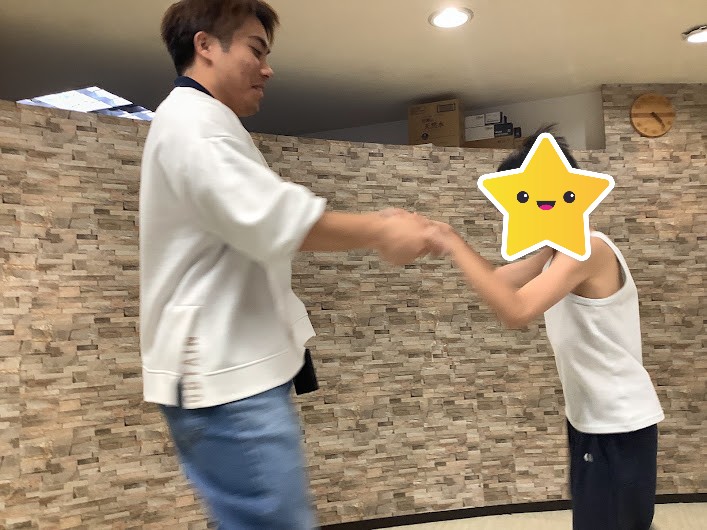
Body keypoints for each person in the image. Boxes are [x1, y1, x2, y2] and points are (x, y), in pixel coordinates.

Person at [139, 1, 443, 528]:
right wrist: (381, 230)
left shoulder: (206, 121)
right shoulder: (193, 124)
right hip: (225, 381)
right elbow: (275, 218)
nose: (268, 69)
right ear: (205, 45)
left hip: (234, 372)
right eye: (256, 50)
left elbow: (257, 224)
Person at [430, 127, 664, 530]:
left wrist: (453, 242)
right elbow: (499, 283)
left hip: (617, 421)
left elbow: (517, 311)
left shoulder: (588, 249)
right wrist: (455, 248)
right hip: (592, 420)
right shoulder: (557, 253)